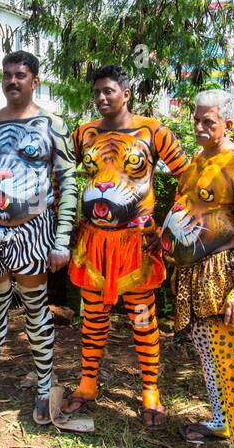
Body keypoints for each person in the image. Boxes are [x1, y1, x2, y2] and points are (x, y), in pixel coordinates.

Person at [63, 64, 190, 429]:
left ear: (126, 93)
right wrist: (66, 219)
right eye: (98, 92)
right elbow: (60, 174)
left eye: (109, 91)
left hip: (136, 240)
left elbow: (190, 177)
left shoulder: (152, 131)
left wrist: (168, 227)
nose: (103, 98)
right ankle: (88, 384)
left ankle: (151, 390)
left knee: (142, 317)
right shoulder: (84, 133)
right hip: (93, 240)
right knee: (92, 317)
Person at [0, 51, 77, 421]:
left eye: (20, 75)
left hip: (32, 232)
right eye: (7, 74)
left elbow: (68, 181)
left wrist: (61, 239)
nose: (12, 81)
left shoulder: (51, 125)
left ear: (34, 80)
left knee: (36, 311)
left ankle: (44, 387)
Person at [163, 91, 234, 448]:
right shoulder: (198, 162)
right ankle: (220, 421)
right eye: (197, 120)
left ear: (228, 125)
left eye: (210, 122)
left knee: (226, 359)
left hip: (223, 273)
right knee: (206, 352)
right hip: (194, 273)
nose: (201, 128)